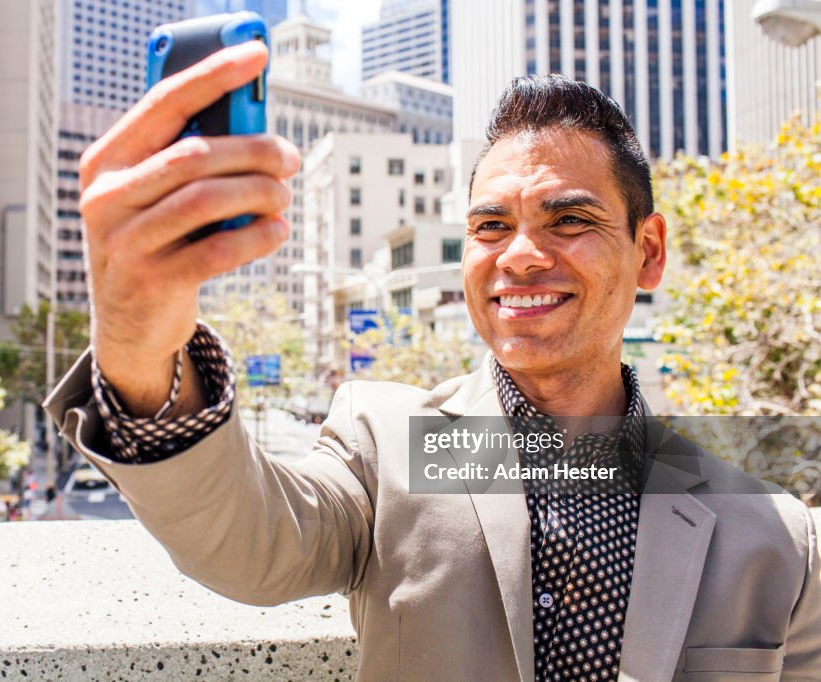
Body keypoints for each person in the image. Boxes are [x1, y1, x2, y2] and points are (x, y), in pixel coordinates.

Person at [44, 41, 821, 680]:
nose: (519, 256)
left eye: (569, 219)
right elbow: (248, 545)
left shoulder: (774, 536)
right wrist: (139, 341)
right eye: (489, 227)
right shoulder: (389, 442)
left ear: (647, 252)